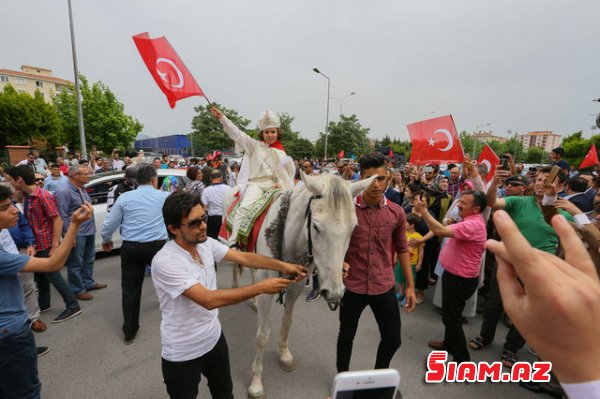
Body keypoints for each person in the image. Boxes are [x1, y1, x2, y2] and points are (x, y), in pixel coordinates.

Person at [151, 191, 306, 399]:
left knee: (225, 394)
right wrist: (261, 287)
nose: (204, 226)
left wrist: (283, 264)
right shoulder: (165, 261)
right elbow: (208, 300)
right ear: (173, 229)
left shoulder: (205, 244)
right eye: (194, 223)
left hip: (214, 340)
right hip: (182, 354)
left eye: (204, 218)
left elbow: (244, 257)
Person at [487, 211, 600, 399]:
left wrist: (583, 375)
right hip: (569, 279)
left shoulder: (583, 217)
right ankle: (548, 377)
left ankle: (553, 384)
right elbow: (554, 217)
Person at [0, 182, 92, 399]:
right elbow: (53, 264)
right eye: (5, 207)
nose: (15, 210)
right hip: (9, 336)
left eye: (13, 204)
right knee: (26, 393)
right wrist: (74, 226)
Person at [336, 153, 415, 373]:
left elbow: (402, 250)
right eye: (370, 178)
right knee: (346, 336)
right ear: (361, 179)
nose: (376, 184)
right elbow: (333, 243)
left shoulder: (397, 213)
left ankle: (378, 378)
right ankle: (341, 382)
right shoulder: (346, 211)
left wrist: (409, 286)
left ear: (388, 178)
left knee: (393, 339)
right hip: (353, 286)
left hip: (384, 285)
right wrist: (340, 262)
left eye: (381, 178)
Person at [415, 190, 487, 363]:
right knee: (450, 314)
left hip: (460, 280)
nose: (459, 205)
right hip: (454, 276)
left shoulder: (473, 225)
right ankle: (449, 344)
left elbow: (439, 230)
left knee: (451, 318)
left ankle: (463, 360)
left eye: (464, 203)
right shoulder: (470, 220)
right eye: (460, 201)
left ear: (476, 208)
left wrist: (423, 211)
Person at [4, 165, 83, 322]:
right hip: (36, 243)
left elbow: (57, 221)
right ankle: (44, 303)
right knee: (40, 277)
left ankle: (73, 305)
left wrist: (55, 246)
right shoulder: (27, 195)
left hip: (46, 243)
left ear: (19, 179)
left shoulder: (43, 195)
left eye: (11, 180)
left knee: (52, 275)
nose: (10, 183)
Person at [101, 165, 170, 342]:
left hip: (131, 247)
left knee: (130, 289)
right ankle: (174, 320)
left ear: (137, 181)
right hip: (158, 247)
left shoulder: (124, 198)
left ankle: (129, 330)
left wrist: (106, 239)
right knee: (168, 283)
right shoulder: (164, 197)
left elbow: (110, 223)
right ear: (154, 180)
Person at [211, 107, 295, 247]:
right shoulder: (253, 145)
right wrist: (222, 118)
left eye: (272, 132)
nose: (270, 135)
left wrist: (281, 183)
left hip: (276, 185)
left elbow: (288, 174)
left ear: (277, 133)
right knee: (244, 208)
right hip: (256, 184)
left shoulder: (282, 153)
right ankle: (234, 243)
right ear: (262, 134)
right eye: (267, 132)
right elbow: (237, 134)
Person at [55, 164, 106, 300]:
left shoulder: (81, 189)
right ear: (75, 175)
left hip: (88, 230)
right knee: (76, 262)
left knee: (89, 258)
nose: (89, 175)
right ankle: (77, 289)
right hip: (76, 232)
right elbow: (63, 215)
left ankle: (88, 283)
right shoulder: (63, 191)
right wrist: (69, 235)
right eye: (86, 174)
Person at [396, 213, 423, 304]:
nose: (404, 224)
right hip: (401, 261)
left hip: (412, 263)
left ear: (412, 225)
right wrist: (395, 256)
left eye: (406, 223)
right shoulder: (403, 233)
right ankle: (401, 293)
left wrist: (419, 263)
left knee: (410, 279)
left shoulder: (419, 237)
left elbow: (421, 251)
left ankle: (408, 296)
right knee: (400, 278)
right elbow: (398, 246)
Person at [201, 170, 230, 240]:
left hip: (212, 220)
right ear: (221, 177)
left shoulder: (206, 190)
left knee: (212, 240)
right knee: (225, 240)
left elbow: (203, 208)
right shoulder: (229, 189)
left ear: (210, 178)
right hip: (226, 218)